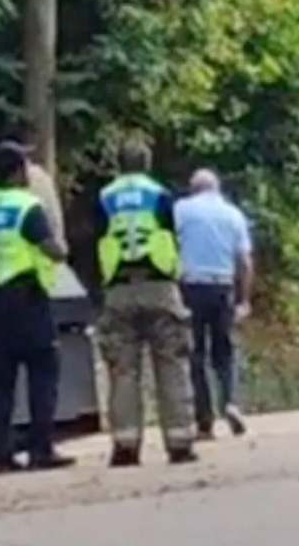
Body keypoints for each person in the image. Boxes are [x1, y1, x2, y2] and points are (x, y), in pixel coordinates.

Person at [0, 140, 75, 474]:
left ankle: (0, 454)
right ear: (18, 171)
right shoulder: (26, 206)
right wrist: (60, 255)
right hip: (27, 297)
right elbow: (50, 247)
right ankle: (41, 449)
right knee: (43, 370)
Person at [91, 140, 197, 467]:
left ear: (118, 164)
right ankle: (179, 442)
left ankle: (125, 445)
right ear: (147, 163)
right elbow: (170, 235)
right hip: (159, 285)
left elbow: (97, 237)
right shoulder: (161, 194)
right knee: (171, 362)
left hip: (119, 288)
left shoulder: (104, 197)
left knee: (123, 369)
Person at [173, 169, 253, 440]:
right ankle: (230, 402)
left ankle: (204, 420)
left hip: (191, 286)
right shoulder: (233, 214)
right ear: (217, 189)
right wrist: (244, 299)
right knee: (225, 350)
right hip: (223, 286)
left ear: (193, 189)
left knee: (195, 354)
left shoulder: (181, 210)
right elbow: (244, 261)